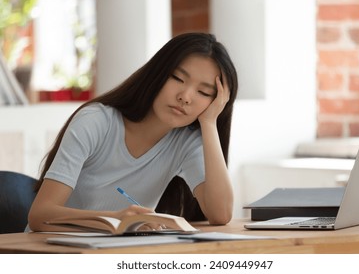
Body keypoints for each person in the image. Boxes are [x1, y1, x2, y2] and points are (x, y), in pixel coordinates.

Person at [28, 32, 238, 232]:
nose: (185, 96)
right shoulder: (96, 122)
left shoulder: (185, 142)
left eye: (203, 92)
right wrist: (114, 221)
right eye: (177, 78)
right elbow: (40, 215)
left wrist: (209, 123)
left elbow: (220, 214)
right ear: (157, 73)